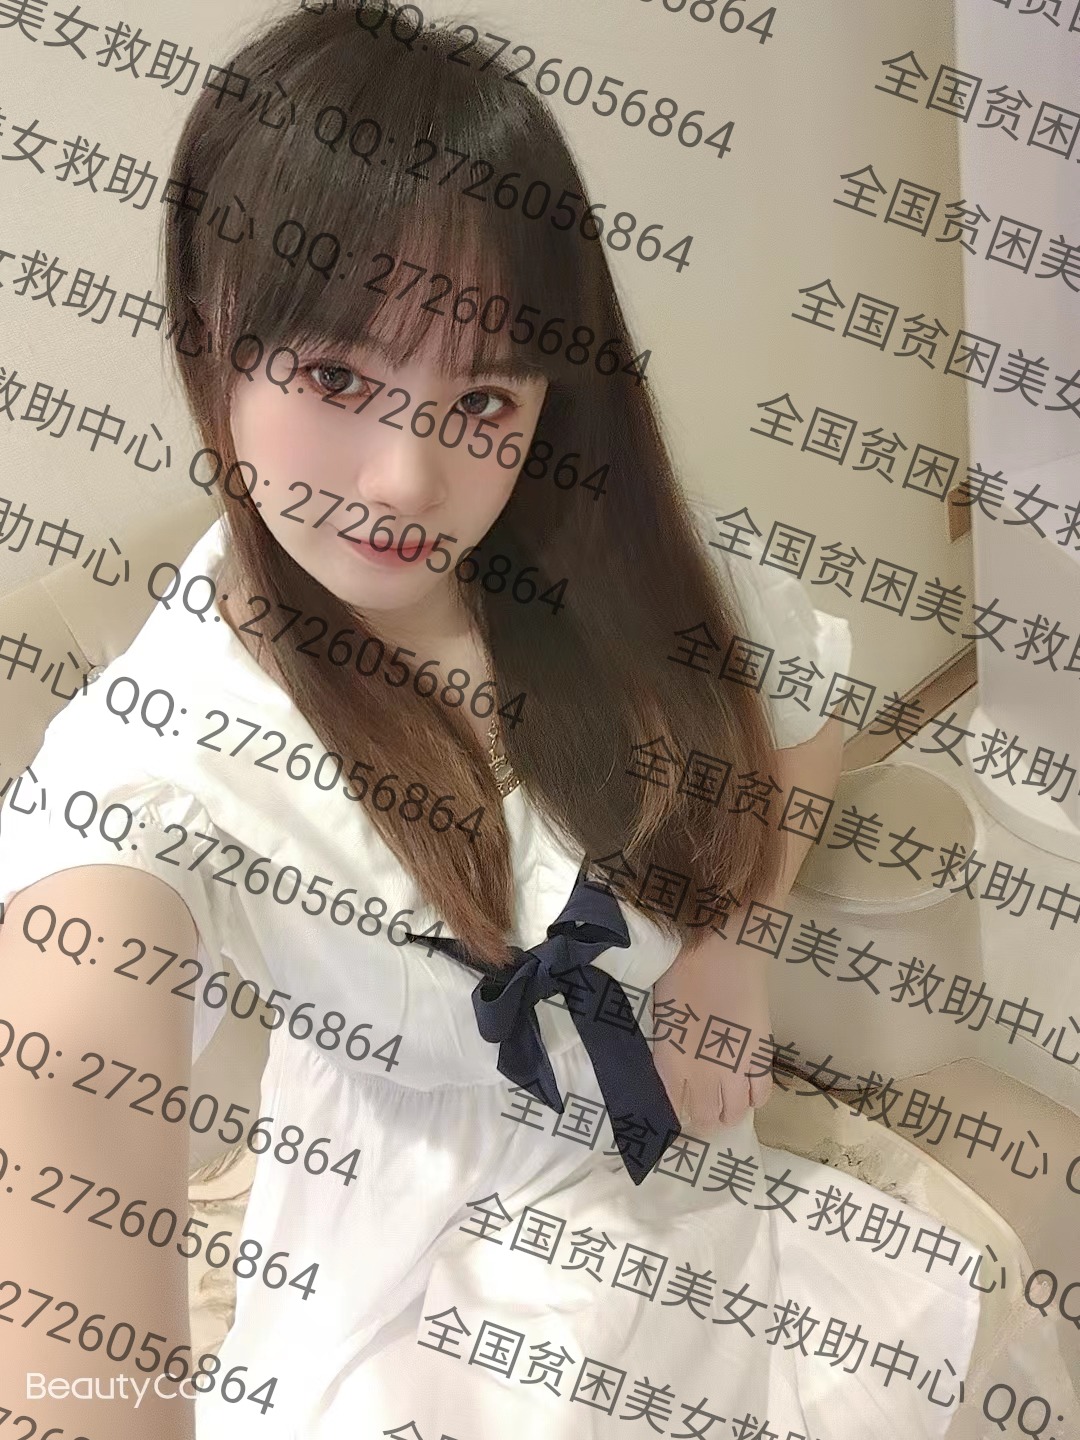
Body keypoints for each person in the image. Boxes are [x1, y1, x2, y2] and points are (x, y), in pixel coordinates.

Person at [0, 4, 982, 1437]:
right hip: (408, 1278)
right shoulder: (156, 765)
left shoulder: (593, 555)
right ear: (212, 340)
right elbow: (72, 1316)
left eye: (480, 396)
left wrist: (729, 949)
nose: (408, 481)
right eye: (338, 377)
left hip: (683, 1194)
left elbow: (802, 701)